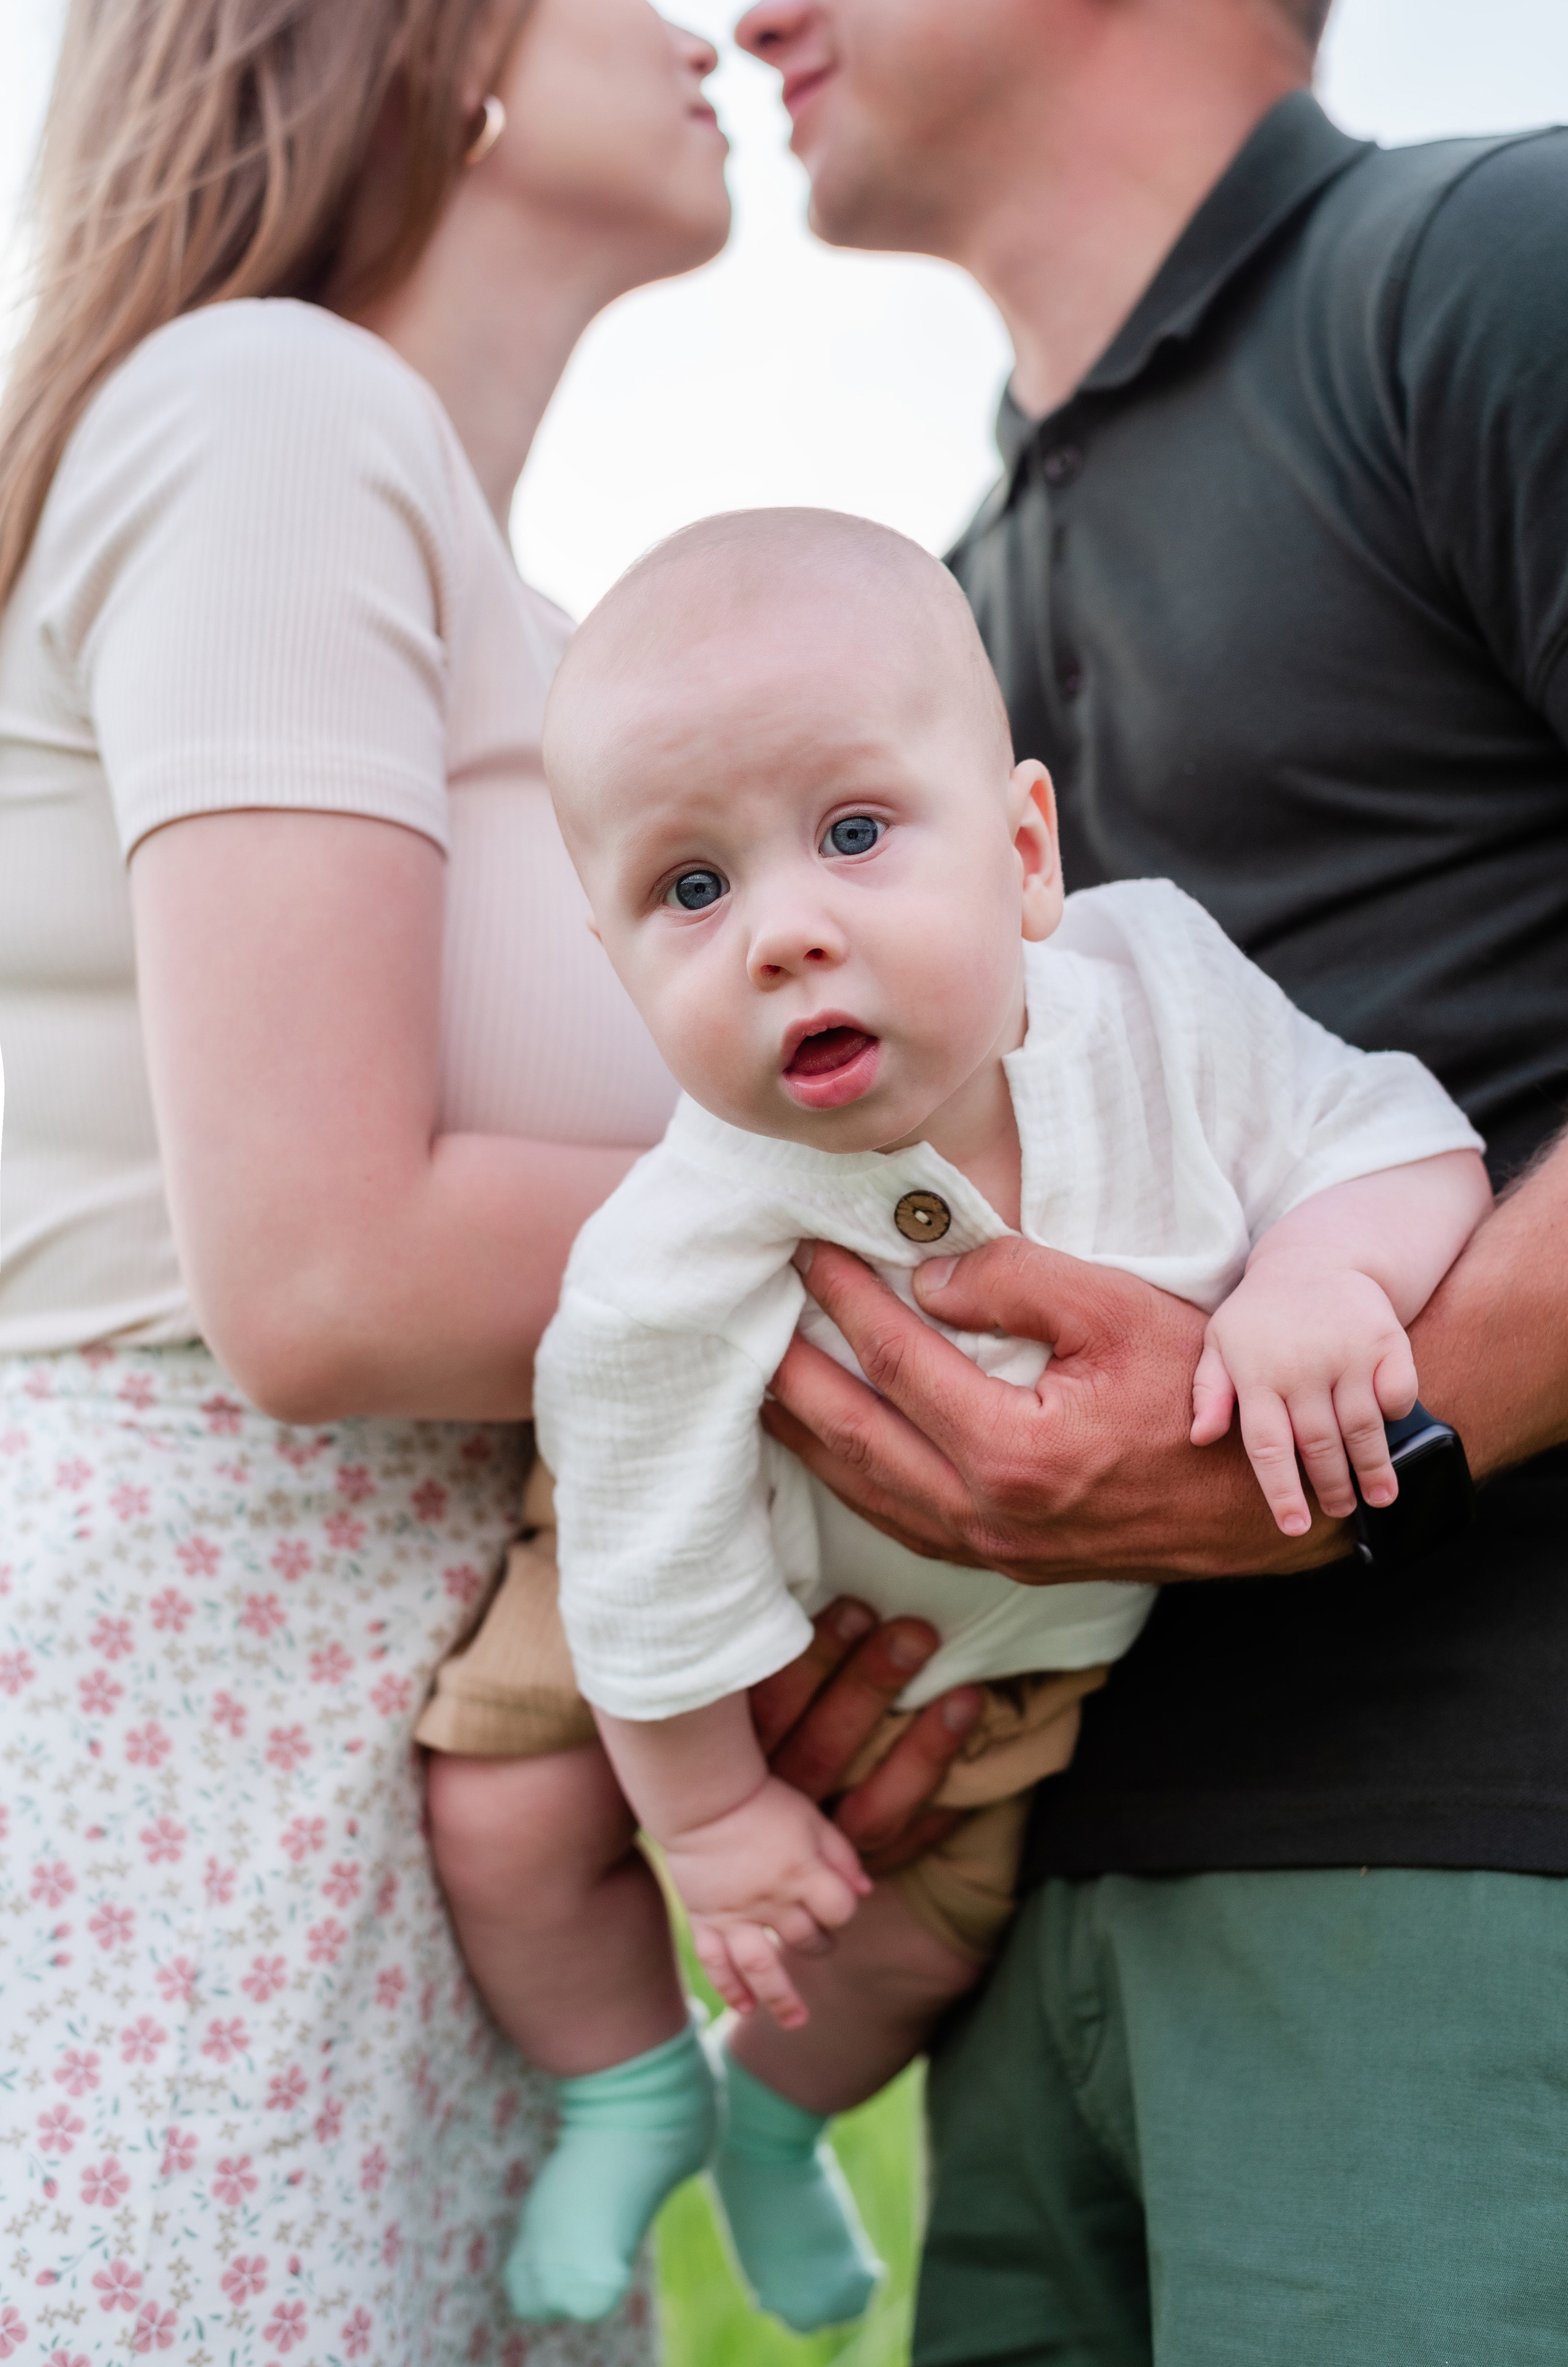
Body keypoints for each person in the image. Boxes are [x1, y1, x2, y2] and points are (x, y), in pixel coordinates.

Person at [0, 5, 951, 2358]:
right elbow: (323, 1271)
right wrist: (980, 1226)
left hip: (412, 1729)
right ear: (431, 53)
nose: (704, 24)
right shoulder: (269, 409)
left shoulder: (484, 574)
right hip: (201, 1713)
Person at [731, 0, 1568, 2358]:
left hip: (1482, 1890)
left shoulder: (1498, 266)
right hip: (1026, 1947)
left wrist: (1343, 1449)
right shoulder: (927, 614)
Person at [422, 504, 1486, 2334]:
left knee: (918, 1935)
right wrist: (711, 1816)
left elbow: (1395, 1135)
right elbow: (648, 1558)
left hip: (1014, 1671)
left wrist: (1329, 1274)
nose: (783, 934)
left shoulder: (1163, 1002)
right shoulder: (675, 1245)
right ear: (623, 971)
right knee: (506, 1809)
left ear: (1021, 854)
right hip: (670, 1628)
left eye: (851, 835)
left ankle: (767, 2125)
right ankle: (624, 2080)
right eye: (692, 891)